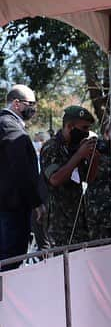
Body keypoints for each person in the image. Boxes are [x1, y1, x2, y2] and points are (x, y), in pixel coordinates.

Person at [40, 105, 100, 247]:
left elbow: (88, 179)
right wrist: (79, 155)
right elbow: (55, 179)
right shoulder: (51, 147)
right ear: (70, 126)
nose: (87, 133)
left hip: (77, 222)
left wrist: (94, 159)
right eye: (84, 128)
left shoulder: (76, 147)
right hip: (57, 225)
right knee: (60, 267)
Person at [0, 85, 43, 269]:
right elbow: (21, 170)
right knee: (11, 260)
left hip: (8, 206)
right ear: (16, 104)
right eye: (30, 104)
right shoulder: (9, 127)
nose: (33, 108)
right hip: (12, 207)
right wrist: (36, 201)